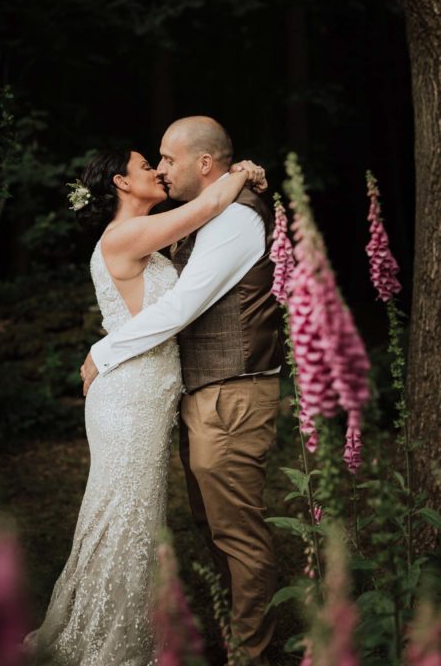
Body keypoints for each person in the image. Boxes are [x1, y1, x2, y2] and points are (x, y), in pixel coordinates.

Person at [23, 144, 265, 666]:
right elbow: (204, 209)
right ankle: (111, 646)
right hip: (129, 397)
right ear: (121, 185)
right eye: (143, 166)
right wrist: (241, 170)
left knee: (133, 517)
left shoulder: (142, 240)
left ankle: (115, 629)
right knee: (122, 519)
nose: (156, 171)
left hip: (147, 394)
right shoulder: (126, 234)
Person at [81, 116, 283, 666]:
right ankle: (238, 640)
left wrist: (104, 350)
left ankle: (251, 653)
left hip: (233, 393)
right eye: (153, 163)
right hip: (197, 395)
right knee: (212, 527)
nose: (161, 169)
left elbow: (181, 306)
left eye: (166, 160)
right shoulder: (194, 220)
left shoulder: (235, 219)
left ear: (203, 163)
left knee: (236, 531)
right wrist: (240, 174)